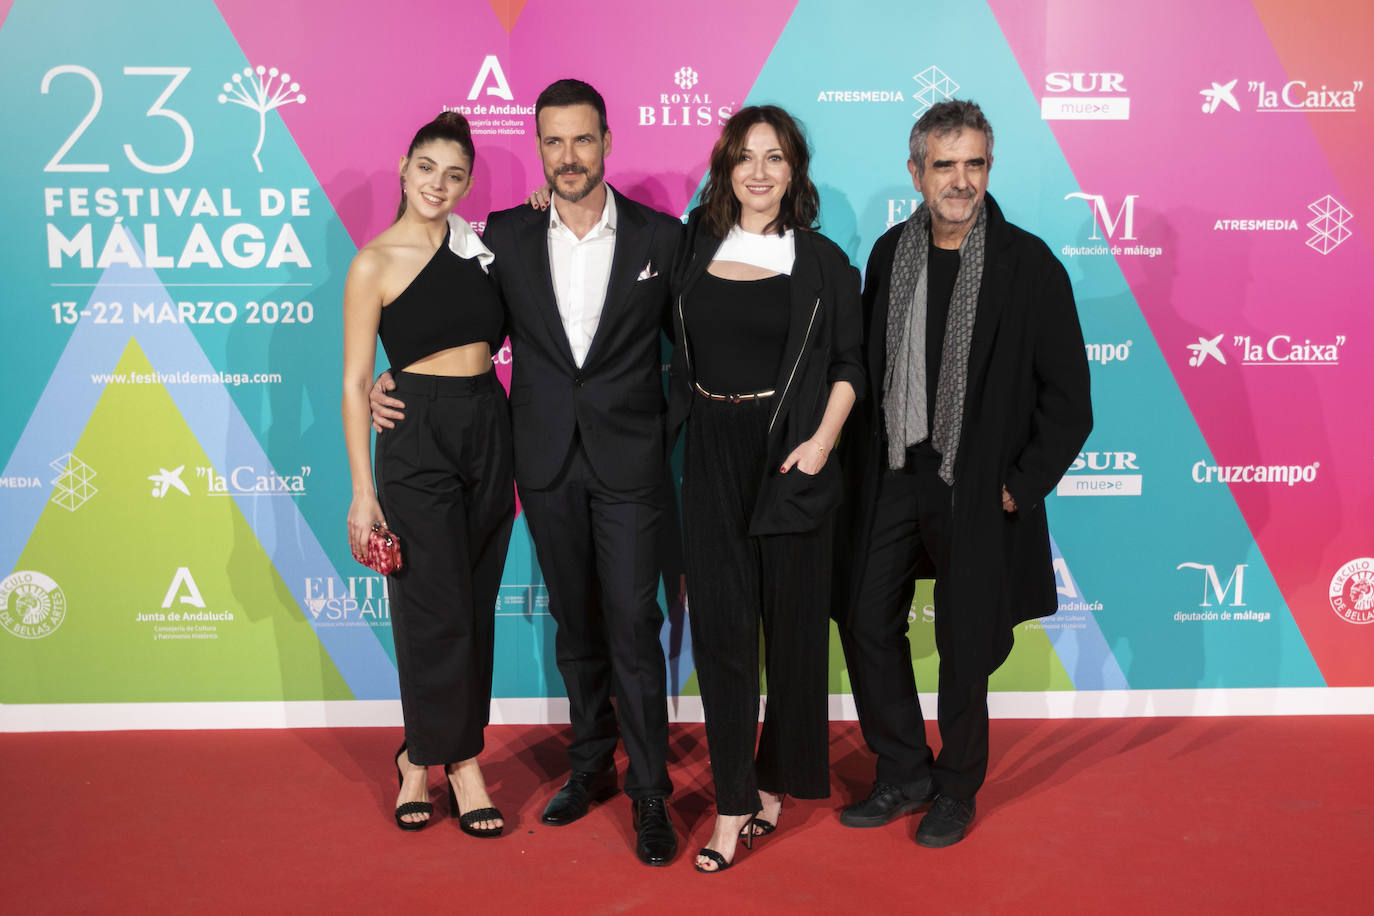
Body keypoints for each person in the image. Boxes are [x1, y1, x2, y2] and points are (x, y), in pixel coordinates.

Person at [370, 80, 681, 866]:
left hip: (631, 464)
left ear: (608, 142)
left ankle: (650, 791)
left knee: (633, 627)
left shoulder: (661, 238)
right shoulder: (501, 236)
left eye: (582, 140)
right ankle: (590, 768)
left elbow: (701, 343)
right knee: (576, 628)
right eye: (553, 142)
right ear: (539, 147)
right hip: (541, 461)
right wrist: (391, 377)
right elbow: (456, 325)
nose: (568, 157)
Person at [834, 100, 1092, 847]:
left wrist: (1022, 482)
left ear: (988, 169)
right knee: (863, 619)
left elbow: (1070, 401)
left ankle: (956, 785)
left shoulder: (1029, 265)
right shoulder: (890, 253)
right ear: (915, 171)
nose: (959, 179)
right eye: (943, 164)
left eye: (973, 163)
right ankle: (904, 768)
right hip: (893, 472)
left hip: (978, 486)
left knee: (965, 640)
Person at [667, 106, 863, 873]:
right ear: (726, 168)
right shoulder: (691, 246)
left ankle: (778, 777)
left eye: (774, 158)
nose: (758, 171)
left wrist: (820, 444)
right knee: (722, 638)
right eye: (745, 157)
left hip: (791, 455)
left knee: (789, 633)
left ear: (794, 171)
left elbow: (850, 365)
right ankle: (733, 802)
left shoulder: (822, 262)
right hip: (711, 449)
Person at [342, 112, 514, 836]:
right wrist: (362, 491)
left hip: (488, 421)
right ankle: (458, 766)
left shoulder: (484, 248)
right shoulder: (372, 263)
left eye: (454, 175)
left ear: (467, 182)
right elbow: (356, 382)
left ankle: (419, 751)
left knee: (473, 601)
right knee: (429, 604)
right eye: (426, 169)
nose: (438, 185)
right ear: (404, 167)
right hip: (416, 435)